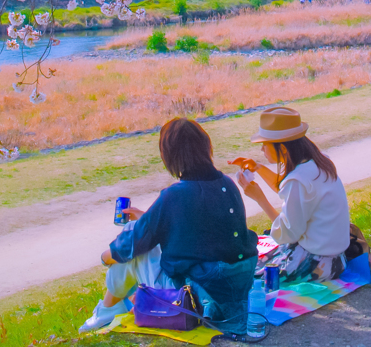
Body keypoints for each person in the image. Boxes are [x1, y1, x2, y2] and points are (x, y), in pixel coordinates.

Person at [80, 118, 257, 335]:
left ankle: (107, 309)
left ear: (169, 155)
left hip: (196, 294)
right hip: (231, 285)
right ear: (205, 147)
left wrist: (105, 257)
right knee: (140, 231)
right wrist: (149, 218)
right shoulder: (226, 184)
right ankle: (109, 308)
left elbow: (133, 243)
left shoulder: (175, 195)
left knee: (131, 237)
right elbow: (204, 230)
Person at [229, 107, 351, 284]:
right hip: (337, 257)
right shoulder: (318, 163)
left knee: (248, 274)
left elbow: (286, 234)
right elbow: (289, 189)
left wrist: (260, 199)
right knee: (257, 260)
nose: (262, 149)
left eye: (265, 144)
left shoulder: (298, 180)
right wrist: (259, 168)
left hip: (318, 264)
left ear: (284, 148)